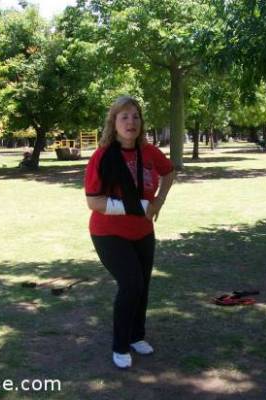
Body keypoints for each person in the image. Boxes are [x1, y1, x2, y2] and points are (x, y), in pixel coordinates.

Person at [84, 96, 175, 369]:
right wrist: (135, 207)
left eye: (135, 116)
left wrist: (158, 201)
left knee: (143, 285)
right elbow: (93, 202)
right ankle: (120, 345)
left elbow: (169, 173)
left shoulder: (149, 152)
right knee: (131, 284)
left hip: (143, 233)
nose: (131, 122)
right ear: (114, 122)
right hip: (108, 233)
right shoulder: (102, 155)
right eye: (124, 116)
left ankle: (136, 336)